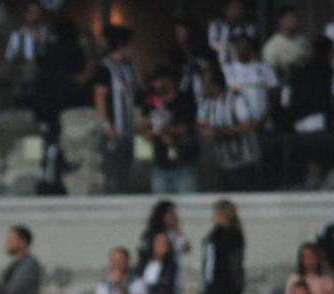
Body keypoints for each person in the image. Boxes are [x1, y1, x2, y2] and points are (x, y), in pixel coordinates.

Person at [197, 62, 260, 191]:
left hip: (244, 163)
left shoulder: (236, 100)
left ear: (214, 85)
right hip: (222, 164)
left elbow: (247, 126)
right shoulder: (207, 105)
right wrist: (206, 133)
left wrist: (220, 131)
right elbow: (201, 127)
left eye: (204, 83)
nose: (202, 87)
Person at [140, 66, 200, 194]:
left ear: (169, 81)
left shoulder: (184, 100)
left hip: (184, 163)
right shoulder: (150, 102)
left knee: (188, 203)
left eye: (158, 80)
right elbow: (144, 126)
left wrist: (163, 131)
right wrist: (150, 134)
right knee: (161, 204)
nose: (155, 84)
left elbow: (186, 127)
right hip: (160, 164)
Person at [93, 26, 138, 193]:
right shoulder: (106, 68)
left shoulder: (127, 68)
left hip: (127, 130)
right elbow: (100, 97)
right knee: (112, 175)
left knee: (126, 173)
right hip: (113, 130)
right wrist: (107, 126)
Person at [200, 199, 245, 294]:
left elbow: (233, 264)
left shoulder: (233, 236)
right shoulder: (214, 234)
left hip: (225, 288)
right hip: (211, 286)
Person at [0, 225, 41, 294]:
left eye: (12, 239)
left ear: (23, 242)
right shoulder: (14, 265)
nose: (7, 242)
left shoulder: (30, 265)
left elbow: (13, 290)